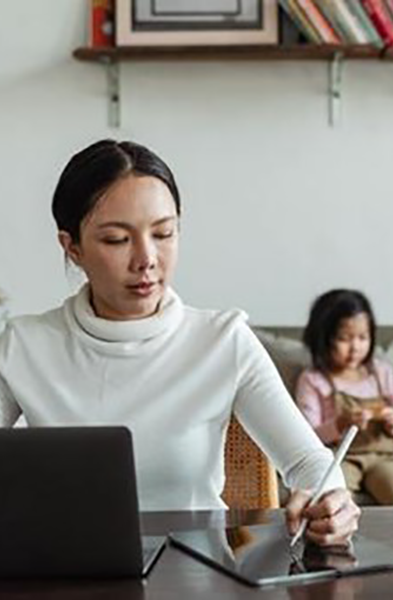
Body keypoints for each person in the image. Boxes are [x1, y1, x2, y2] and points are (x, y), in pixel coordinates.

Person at [0, 139, 360, 546]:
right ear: (72, 247)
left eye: (164, 233)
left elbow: (309, 461)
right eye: (117, 239)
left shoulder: (223, 341)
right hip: (66, 572)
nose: (146, 258)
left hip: (196, 577)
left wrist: (332, 500)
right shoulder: (24, 346)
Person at [295, 289, 393, 506]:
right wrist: (340, 423)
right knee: (332, 501)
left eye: (362, 337)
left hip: (384, 455)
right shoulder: (313, 380)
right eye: (344, 339)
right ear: (323, 338)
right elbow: (307, 437)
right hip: (341, 457)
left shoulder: (380, 373)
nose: (355, 347)